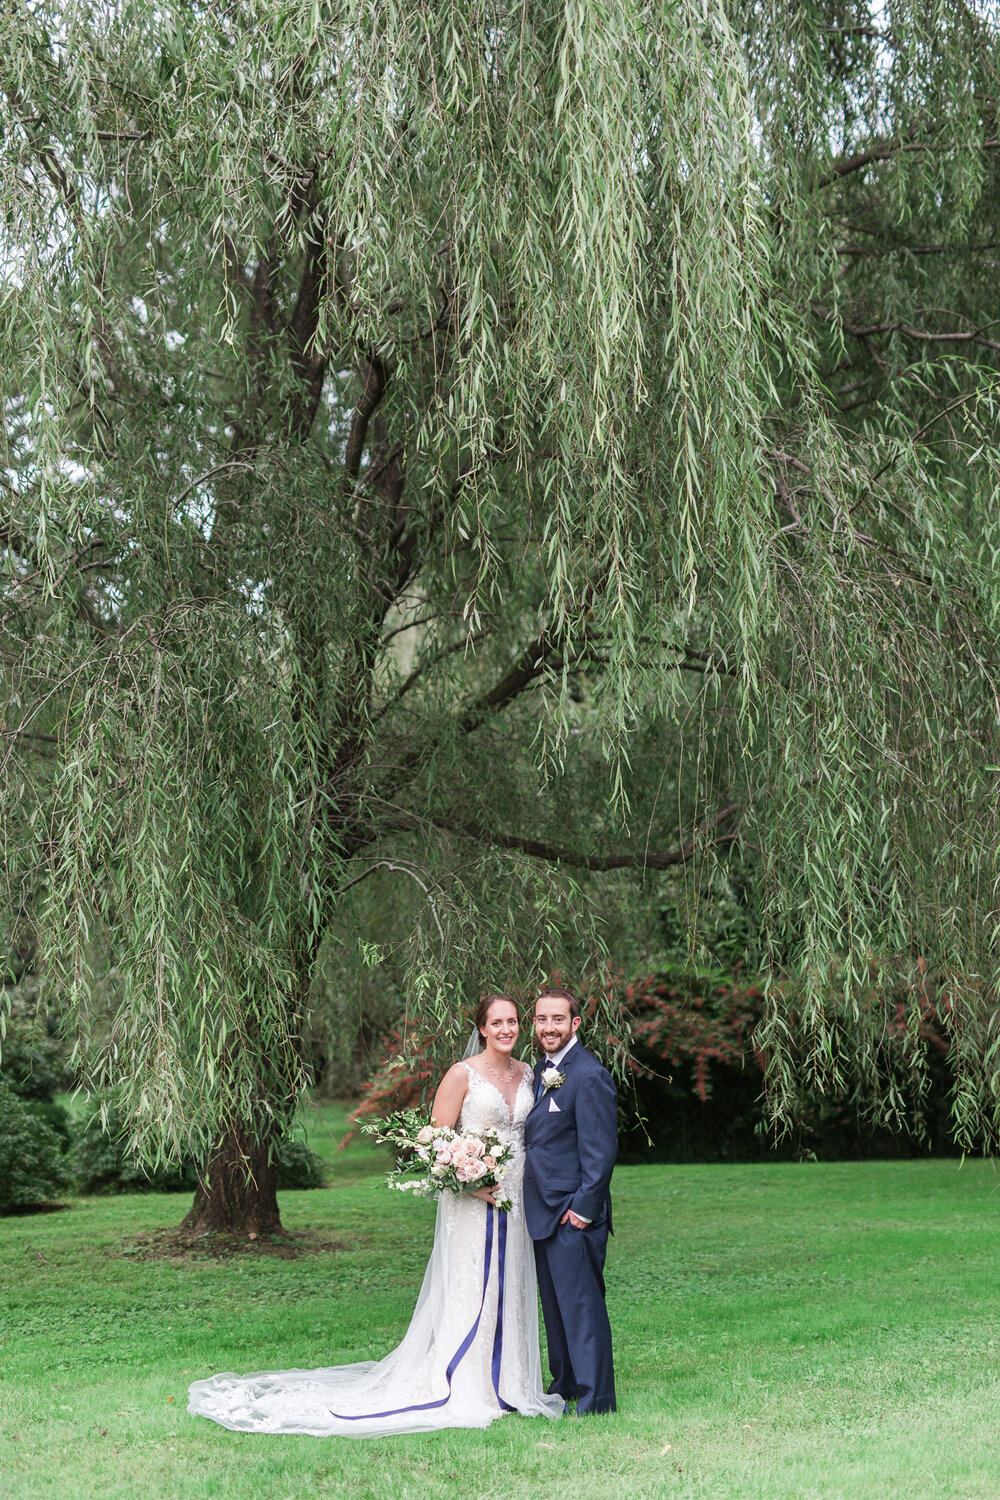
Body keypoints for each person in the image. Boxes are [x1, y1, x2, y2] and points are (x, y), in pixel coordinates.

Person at [187, 993, 563, 1436]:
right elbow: (433, 1143)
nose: (507, 1029)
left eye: (513, 1021)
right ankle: (469, 1383)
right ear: (481, 1028)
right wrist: (470, 1179)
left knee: (512, 1280)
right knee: (473, 1280)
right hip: (472, 1201)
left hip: (517, 1194)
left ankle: (511, 1381)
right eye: (497, 1022)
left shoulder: (530, 1074)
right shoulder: (461, 1075)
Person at [523, 986, 617, 1415]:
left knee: (582, 1308)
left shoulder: (588, 1073)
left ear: (575, 1024)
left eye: (557, 1019)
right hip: (544, 1210)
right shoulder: (543, 1070)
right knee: (557, 1308)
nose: (548, 1027)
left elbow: (601, 1151)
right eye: (542, 1019)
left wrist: (583, 1210)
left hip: (572, 1212)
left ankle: (597, 1400)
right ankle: (566, 1385)